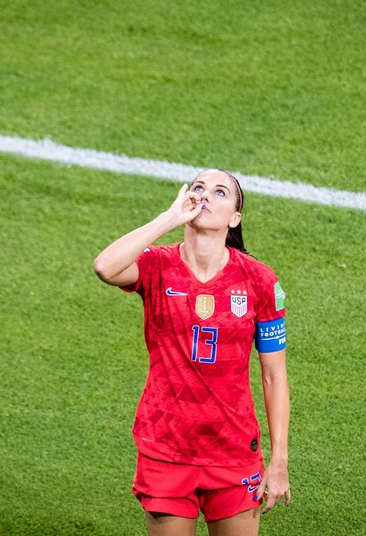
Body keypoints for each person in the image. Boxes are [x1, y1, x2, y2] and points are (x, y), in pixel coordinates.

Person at [93, 169, 291, 536]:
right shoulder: (157, 265)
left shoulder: (260, 281)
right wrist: (169, 218)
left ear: (235, 217)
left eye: (220, 192)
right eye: (198, 187)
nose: (205, 195)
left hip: (233, 451)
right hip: (166, 447)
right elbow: (105, 267)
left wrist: (279, 459)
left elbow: (274, 375)